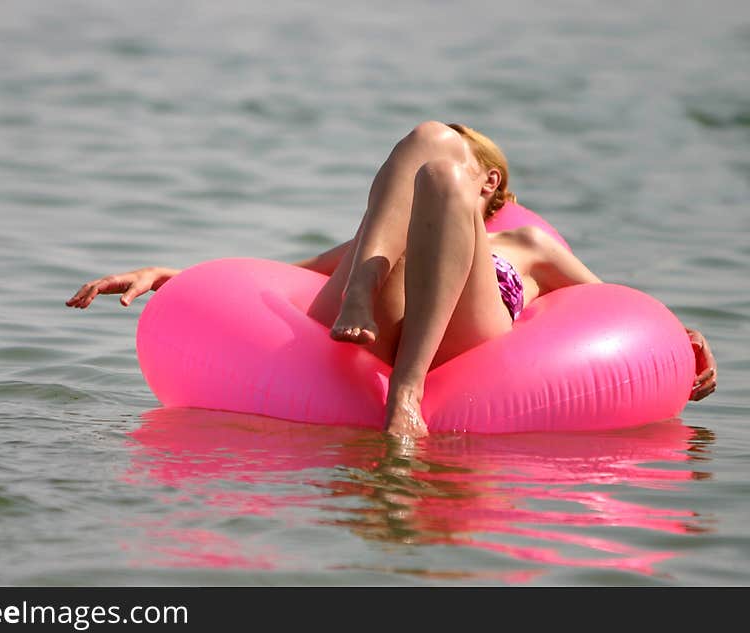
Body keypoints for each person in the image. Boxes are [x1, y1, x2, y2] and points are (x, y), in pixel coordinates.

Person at [67, 121, 718, 437]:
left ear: (490, 180)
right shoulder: (385, 235)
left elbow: (609, 308)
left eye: (462, 150)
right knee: (423, 149)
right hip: (367, 302)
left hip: (463, 334)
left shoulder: (529, 244)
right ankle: (366, 305)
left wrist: (680, 337)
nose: (442, 151)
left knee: (437, 176)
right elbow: (276, 278)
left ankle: (407, 386)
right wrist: (171, 275)